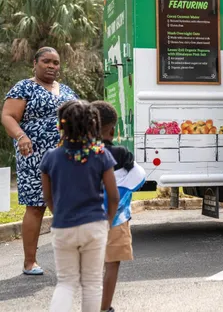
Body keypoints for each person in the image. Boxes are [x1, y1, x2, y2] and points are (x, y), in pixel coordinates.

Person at [1, 47, 78, 275]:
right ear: (35, 63)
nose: (52, 66)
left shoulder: (66, 90)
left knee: (68, 204)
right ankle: (30, 262)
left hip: (66, 156)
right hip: (34, 155)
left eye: (56, 62)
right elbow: (7, 116)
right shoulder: (24, 87)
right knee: (36, 206)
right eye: (46, 61)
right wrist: (21, 136)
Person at [40, 100, 119, 312]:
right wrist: (108, 222)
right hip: (94, 225)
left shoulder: (50, 157)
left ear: (61, 126)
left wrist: (60, 215)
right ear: (93, 125)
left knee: (66, 282)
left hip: (63, 225)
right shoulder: (101, 154)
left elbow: (48, 197)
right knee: (92, 282)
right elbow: (113, 196)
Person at [92, 101, 146, 312]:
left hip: (84, 220)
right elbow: (139, 177)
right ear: (113, 130)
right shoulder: (121, 155)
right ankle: (105, 308)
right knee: (111, 264)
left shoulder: (77, 155)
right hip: (116, 220)